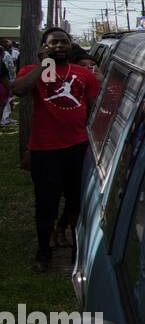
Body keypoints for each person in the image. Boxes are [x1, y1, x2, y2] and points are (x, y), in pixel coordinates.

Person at [10, 28, 102, 272]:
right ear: (44, 46)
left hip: (77, 148)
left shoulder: (83, 74)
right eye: (54, 43)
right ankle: (43, 253)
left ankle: (77, 251)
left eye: (64, 42)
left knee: (76, 204)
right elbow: (18, 90)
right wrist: (44, 64)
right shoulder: (34, 72)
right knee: (46, 205)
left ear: (71, 46)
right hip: (45, 151)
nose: (60, 46)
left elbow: (94, 106)